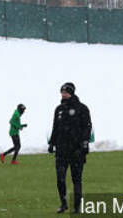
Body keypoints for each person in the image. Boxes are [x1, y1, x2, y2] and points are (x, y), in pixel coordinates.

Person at [48, 83, 92, 214]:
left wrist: (84, 143)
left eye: (65, 92)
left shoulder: (82, 108)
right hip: (61, 151)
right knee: (60, 179)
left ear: (71, 92)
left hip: (76, 151)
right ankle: (63, 203)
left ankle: (76, 206)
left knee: (76, 179)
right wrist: (52, 142)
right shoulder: (59, 109)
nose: (63, 94)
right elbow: (55, 127)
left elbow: (87, 127)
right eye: (62, 92)